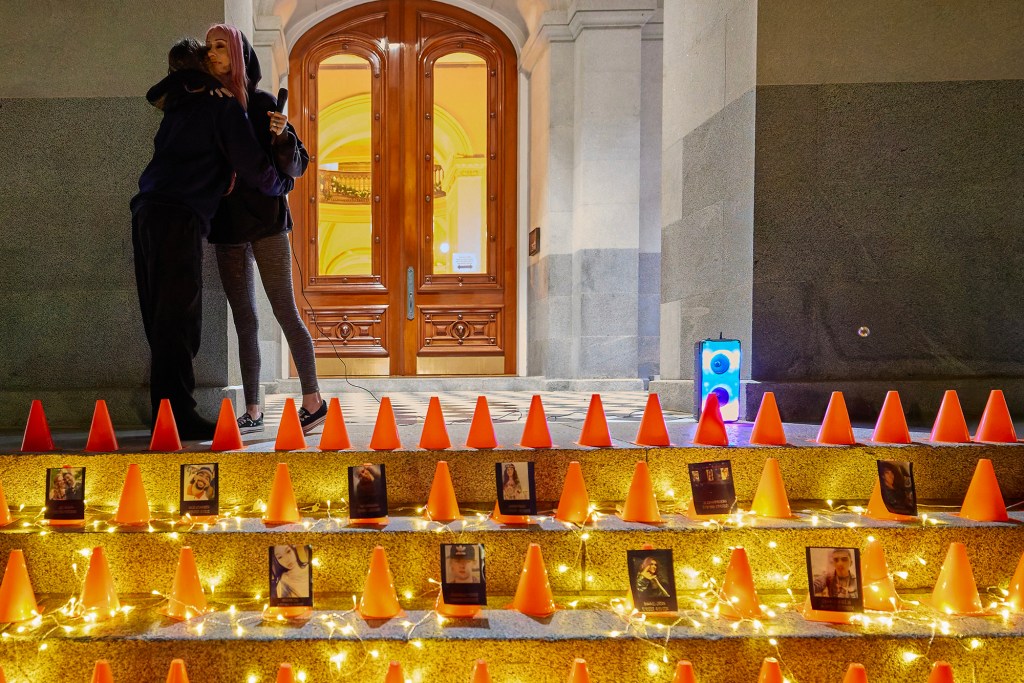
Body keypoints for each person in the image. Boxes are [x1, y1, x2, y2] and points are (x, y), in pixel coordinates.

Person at [133, 38, 287, 439]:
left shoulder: (178, 104)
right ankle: (178, 416)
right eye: (210, 53)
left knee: (162, 317)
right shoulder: (220, 106)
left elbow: (159, 96)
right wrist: (282, 183)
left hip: (147, 210)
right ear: (202, 69)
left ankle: (166, 413)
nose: (218, 58)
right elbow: (253, 166)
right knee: (180, 319)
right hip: (178, 215)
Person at [204, 24, 325, 435]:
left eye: (221, 47)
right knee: (244, 319)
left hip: (268, 222)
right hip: (227, 226)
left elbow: (297, 165)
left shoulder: (261, 103)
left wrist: (282, 135)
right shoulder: (209, 105)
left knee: (284, 310)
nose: (212, 53)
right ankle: (253, 409)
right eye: (208, 47)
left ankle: (313, 399)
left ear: (238, 54)